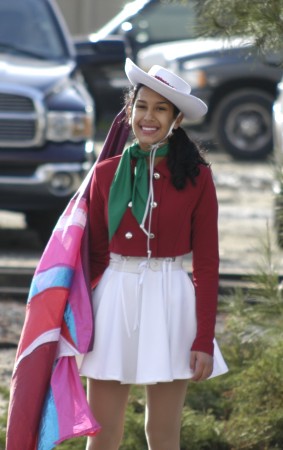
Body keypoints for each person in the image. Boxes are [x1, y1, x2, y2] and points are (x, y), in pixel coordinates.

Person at [79, 58, 228, 450]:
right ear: (129, 111)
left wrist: (204, 338)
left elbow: (208, 263)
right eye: (142, 106)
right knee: (102, 433)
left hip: (172, 299)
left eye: (161, 109)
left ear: (176, 119)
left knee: (162, 435)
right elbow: (92, 255)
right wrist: (75, 320)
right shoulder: (105, 174)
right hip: (114, 298)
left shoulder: (198, 177)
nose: (149, 117)